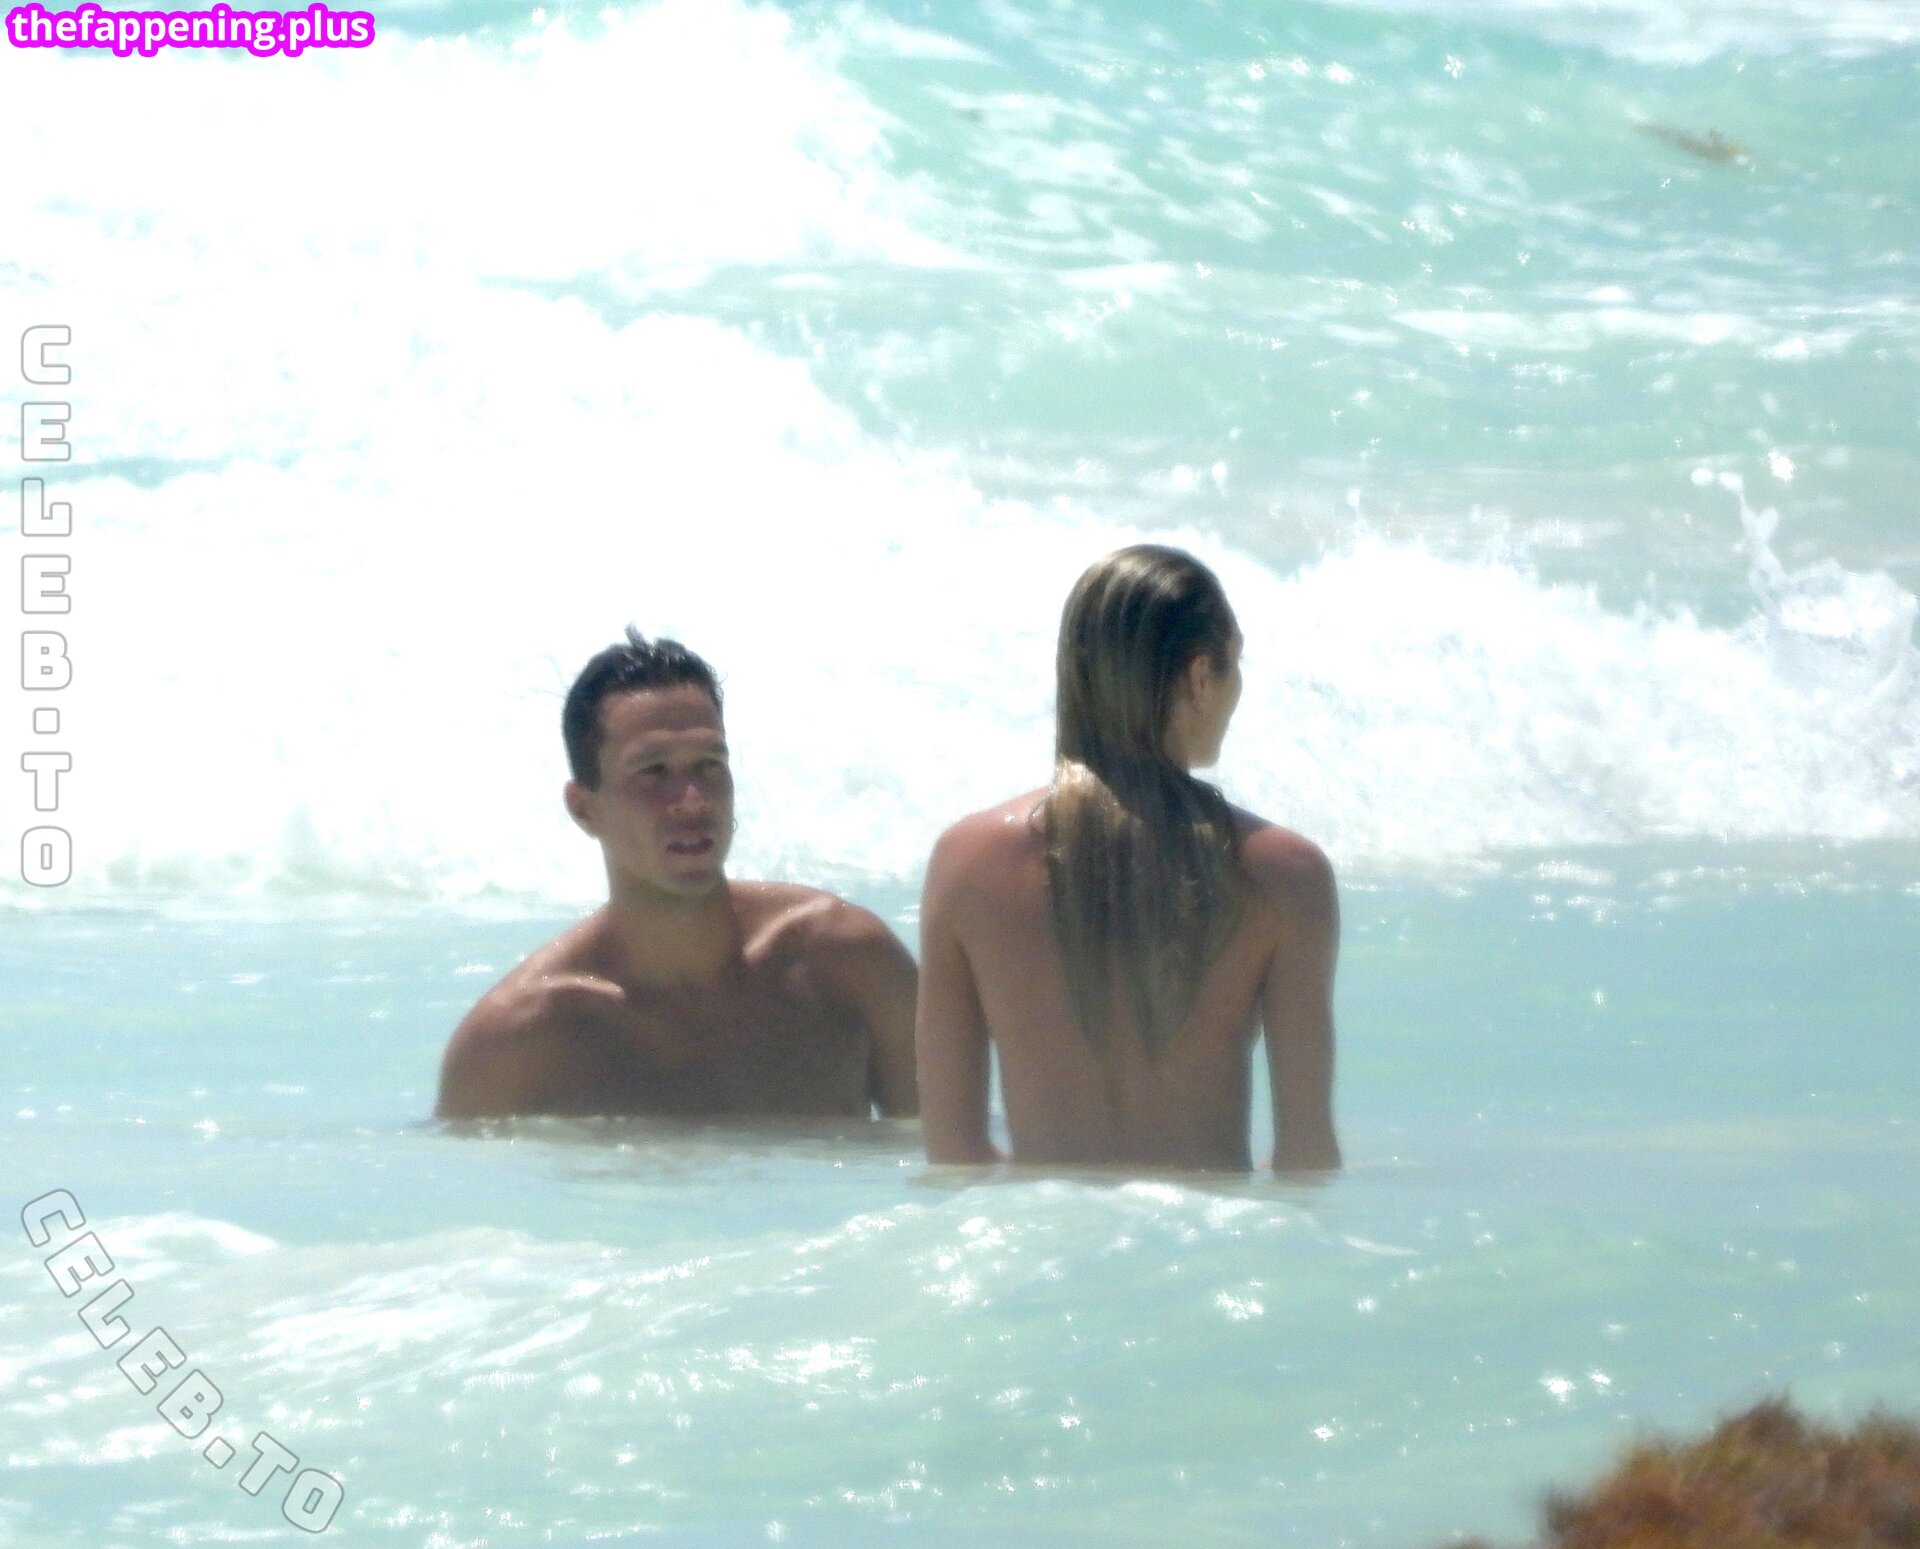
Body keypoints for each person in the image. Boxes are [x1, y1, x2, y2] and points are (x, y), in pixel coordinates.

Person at [915, 544, 1340, 1171]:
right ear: (1200, 677)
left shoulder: (967, 864)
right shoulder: (1283, 876)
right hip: (1211, 1229)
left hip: (1041, 1228)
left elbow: (954, 1155)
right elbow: (1306, 1157)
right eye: (1236, 664)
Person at [436, 631, 919, 1122]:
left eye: (709, 765)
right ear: (583, 809)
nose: (692, 800)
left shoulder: (847, 963)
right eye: (653, 772)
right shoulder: (514, 1044)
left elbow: (950, 1153)